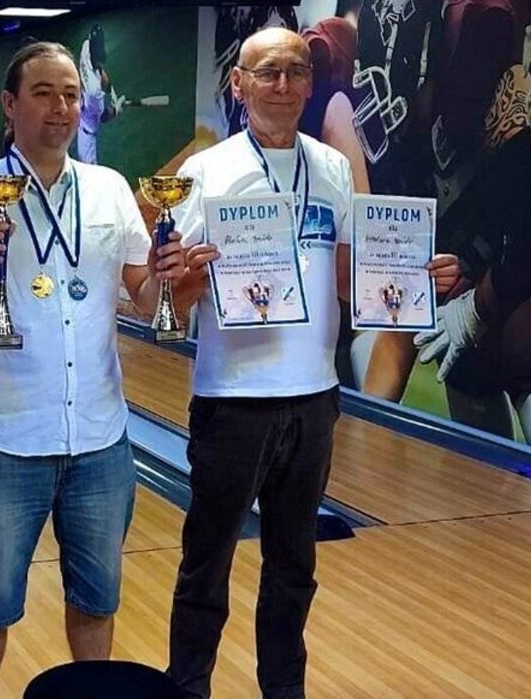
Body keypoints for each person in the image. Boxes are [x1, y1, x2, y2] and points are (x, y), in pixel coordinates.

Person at [165, 28, 458, 698]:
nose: (284, 86)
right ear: (238, 84)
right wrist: (187, 277)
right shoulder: (203, 173)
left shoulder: (330, 166)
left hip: (315, 400)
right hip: (231, 399)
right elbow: (170, 303)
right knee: (206, 567)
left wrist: (417, 279)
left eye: (297, 72)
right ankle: (187, 689)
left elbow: (354, 282)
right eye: (268, 73)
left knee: (294, 569)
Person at [0, 40, 184, 699]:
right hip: (3, 442)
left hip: (100, 441)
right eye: (43, 93)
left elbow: (146, 299)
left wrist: (173, 278)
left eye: (70, 94)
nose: (61, 107)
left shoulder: (110, 189)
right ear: (9, 104)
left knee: (97, 600)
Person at [76, 23, 125, 164]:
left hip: (82, 111)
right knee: (90, 174)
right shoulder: (94, 90)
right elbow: (103, 117)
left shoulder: (86, 46)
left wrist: (111, 91)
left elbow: (98, 68)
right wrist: (116, 109)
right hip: (87, 139)